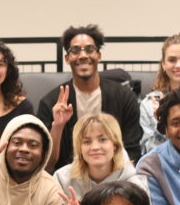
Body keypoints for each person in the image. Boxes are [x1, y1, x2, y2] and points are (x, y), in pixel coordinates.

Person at [37, 24, 143, 170]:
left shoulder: (124, 97)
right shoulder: (51, 103)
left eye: (89, 49)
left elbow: (132, 150)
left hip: (114, 179)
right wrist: (58, 126)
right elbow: (46, 163)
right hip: (68, 180)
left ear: (99, 56)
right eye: (75, 50)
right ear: (67, 58)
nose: (83, 55)